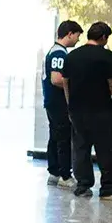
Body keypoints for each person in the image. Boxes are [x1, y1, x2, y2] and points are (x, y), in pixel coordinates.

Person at [54, 22, 112, 198]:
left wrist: (70, 105)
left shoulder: (72, 56)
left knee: (80, 148)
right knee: (108, 149)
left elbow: (65, 82)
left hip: (77, 111)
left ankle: (83, 186)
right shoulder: (106, 56)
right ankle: (109, 189)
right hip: (101, 110)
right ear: (103, 37)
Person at [43, 20, 83, 185]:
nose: (78, 40)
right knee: (63, 138)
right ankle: (65, 175)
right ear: (70, 34)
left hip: (51, 102)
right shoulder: (59, 54)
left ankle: (54, 171)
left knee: (55, 136)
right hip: (58, 102)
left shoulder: (54, 51)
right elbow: (56, 79)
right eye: (77, 36)